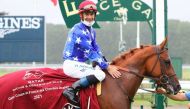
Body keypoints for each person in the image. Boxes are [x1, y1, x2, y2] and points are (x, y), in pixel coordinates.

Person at [62, 0, 121, 104]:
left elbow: (96, 49)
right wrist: (107, 67)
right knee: (101, 75)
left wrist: (105, 62)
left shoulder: (91, 30)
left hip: (80, 64)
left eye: (92, 14)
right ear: (81, 15)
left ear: (95, 15)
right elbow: (91, 53)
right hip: (71, 65)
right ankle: (71, 89)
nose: (89, 17)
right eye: (87, 14)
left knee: (100, 68)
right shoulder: (78, 31)